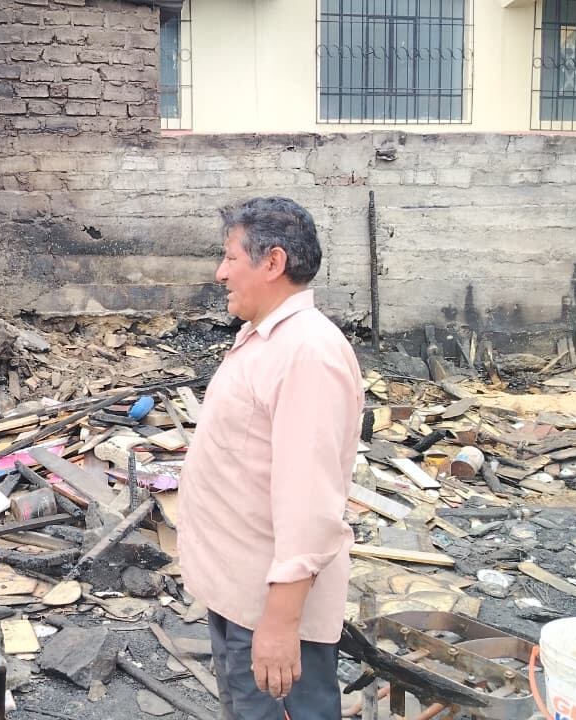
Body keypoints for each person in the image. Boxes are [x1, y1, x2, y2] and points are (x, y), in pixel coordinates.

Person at [179, 197, 363, 719]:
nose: (220, 273)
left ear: (272, 263)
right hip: (241, 598)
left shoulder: (309, 352)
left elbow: (310, 504)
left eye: (230, 258)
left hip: (270, 611)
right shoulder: (266, 339)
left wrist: (281, 625)